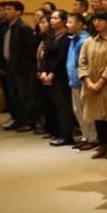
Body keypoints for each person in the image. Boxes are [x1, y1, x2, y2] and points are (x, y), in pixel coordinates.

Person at [78, 11, 107, 159]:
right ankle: (103, 145)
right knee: (97, 116)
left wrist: (100, 83)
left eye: (100, 20)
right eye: (95, 20)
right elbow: (82, 62)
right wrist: (88, 81)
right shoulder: (89, 41)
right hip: (91, 85)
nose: (96, 22)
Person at [39, 9, 76, 146]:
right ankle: (57, 133)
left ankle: (67, 136)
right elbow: (45, 56)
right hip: (48, 76)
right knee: (53, 107)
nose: (52, 21)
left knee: (63, 107)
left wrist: (51, 74)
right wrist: (43, 71)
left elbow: (61, 58)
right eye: (52, 18)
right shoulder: (51, 36)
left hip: (60, 77)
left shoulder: (67, 37)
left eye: (56, 18)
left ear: (64, 21)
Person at [0, 1, 36, 131]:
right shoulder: (7, 26)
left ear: (18, 12)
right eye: (5, 9)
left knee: (25, 96)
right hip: (11, 67)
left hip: (22, 69)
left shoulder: (23, 28)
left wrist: (23, 66)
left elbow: (30, 50)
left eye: (9, 9)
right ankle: (19, 120)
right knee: (14, 96)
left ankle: (30, 122)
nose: (6, 11)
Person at [64, 13, 96, 151]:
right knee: (78, 110)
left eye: (70, 22)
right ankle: (85, 137)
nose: (67, 25)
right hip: (73, 80)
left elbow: (85, 62)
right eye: (67, 22)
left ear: (80, 24)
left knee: (87, 111)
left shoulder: (85, 40)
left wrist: (84, 78)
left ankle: (93, 138)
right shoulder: (73, 38)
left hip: (83, 80)